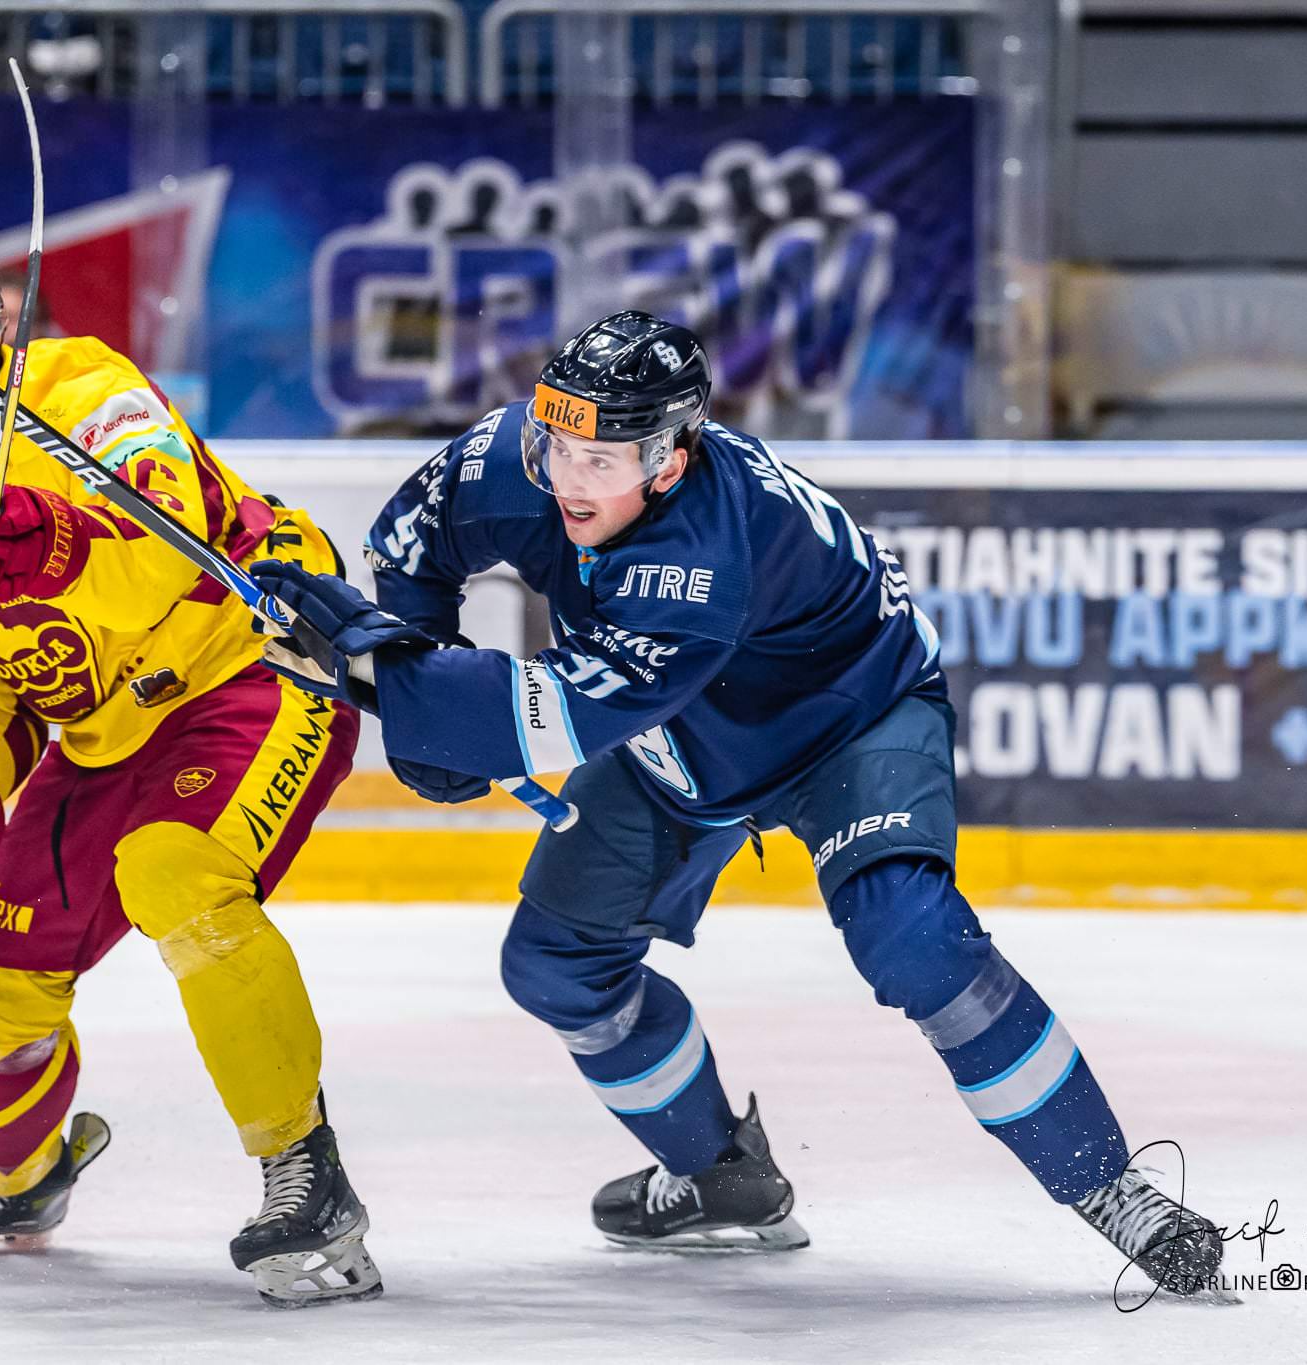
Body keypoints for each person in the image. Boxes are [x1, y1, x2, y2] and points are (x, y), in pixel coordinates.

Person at [251, 310, 1224, 1295]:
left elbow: (565, 708)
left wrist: (392, 681)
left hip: (849, 720)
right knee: (554, 966)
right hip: (681, 726)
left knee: (913, 939)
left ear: (671, 458)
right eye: (560, 445)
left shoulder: (708, 555)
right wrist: (409, 643)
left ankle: (1112, 1191)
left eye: (606, 459)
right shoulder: (513, 460)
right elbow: (415, 541)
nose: (570, 480)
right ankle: (720, 1176)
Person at [0, 208, 379, 1307]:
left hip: (246, 665)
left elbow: (166, 552)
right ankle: (20, 1183)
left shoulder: (91, 397)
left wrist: (56, 543)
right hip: (107, 734)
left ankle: (307, 1178)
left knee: (175, 875)